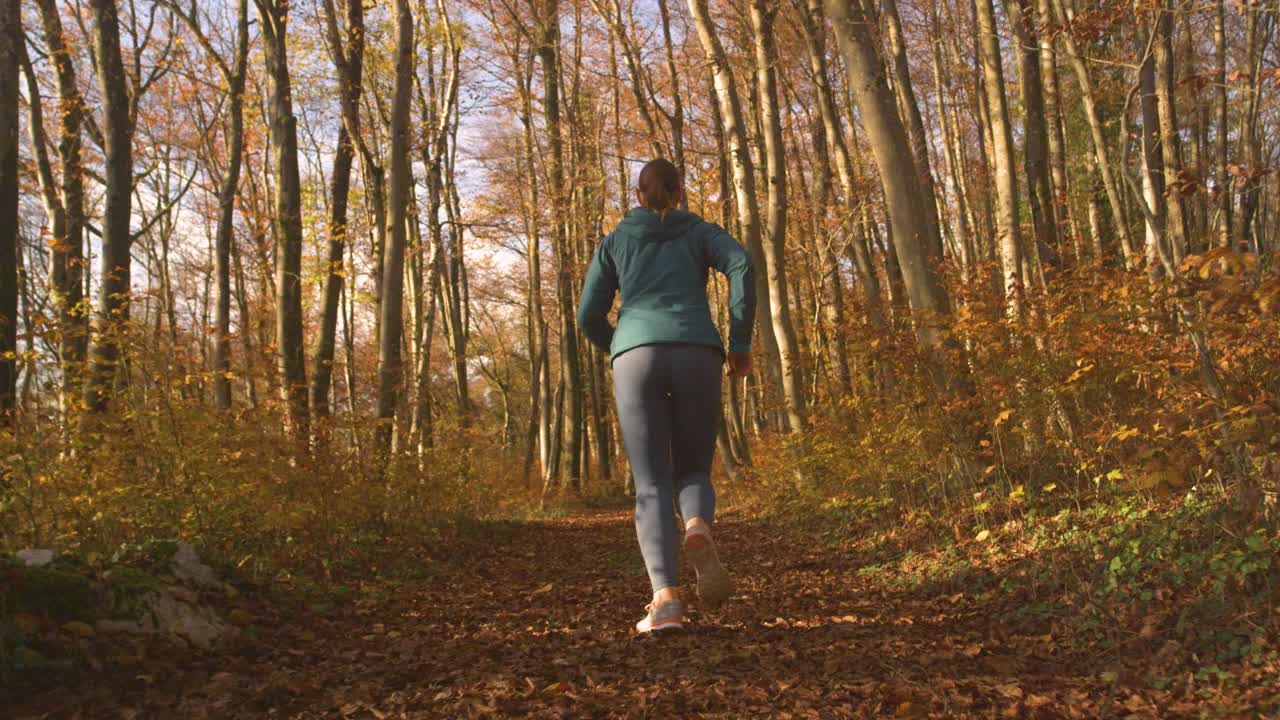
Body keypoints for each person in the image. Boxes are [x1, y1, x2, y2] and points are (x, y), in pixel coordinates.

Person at [576, 158, 756, 633]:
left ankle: (667, 603)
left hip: (635, 354)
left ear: (638, 195)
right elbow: (741, 262)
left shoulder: (614, 242)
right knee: (693, 469)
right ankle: (696, 526)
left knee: (651, 483)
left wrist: (618, 345)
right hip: (698, 350)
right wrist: (739, 344)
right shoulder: (700, 232)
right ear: (679, 193)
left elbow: (587, 315)